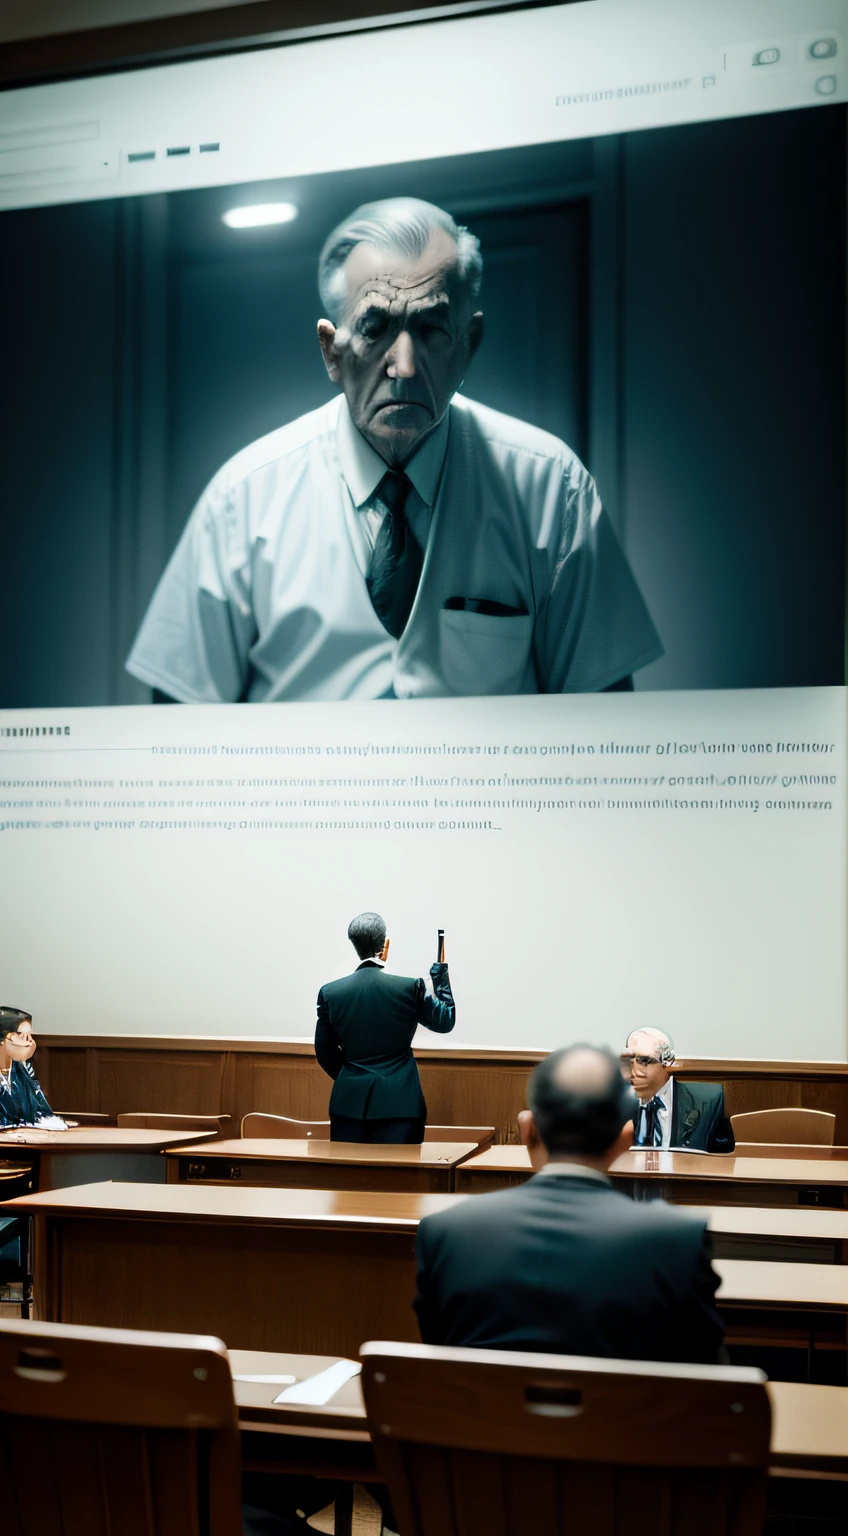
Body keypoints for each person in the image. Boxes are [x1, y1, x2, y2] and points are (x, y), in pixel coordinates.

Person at [126, 197, 662, 703]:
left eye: (430, 329)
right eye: (376, 328)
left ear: (467, 346)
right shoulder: (243, 499)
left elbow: (603, 719)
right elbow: (178, 712)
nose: (403, 367)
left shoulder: (550, 487)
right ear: (331, 351)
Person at [413, 1044, 725, 1362]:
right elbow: (706, 1371)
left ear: (527, 1129)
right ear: (623, 1139)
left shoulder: (444, 1232)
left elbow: (437, 1353)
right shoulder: (679, 1241)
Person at [315, 912, 455, 1143]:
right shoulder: (410, 987)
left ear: (354, 945)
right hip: (401, 1105)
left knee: (349, 1176)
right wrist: (440, 975)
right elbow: (445, 1020)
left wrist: (351, 1076)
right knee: (399, 1177)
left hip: (348, 1105)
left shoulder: (331, 993)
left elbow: (324, 1051)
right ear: (385, 944)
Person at [622, 1027, 734, 1153]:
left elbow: (723, 1158)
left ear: (667, 1062)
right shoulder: (615, 1101)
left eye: (644, 1060)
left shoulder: (707, 1101)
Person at [0, 1008, 67, 1130]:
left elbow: (39, 1108)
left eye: (30, 1035)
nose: (30, 1041)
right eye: (21, 1035)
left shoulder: (24, 1069)